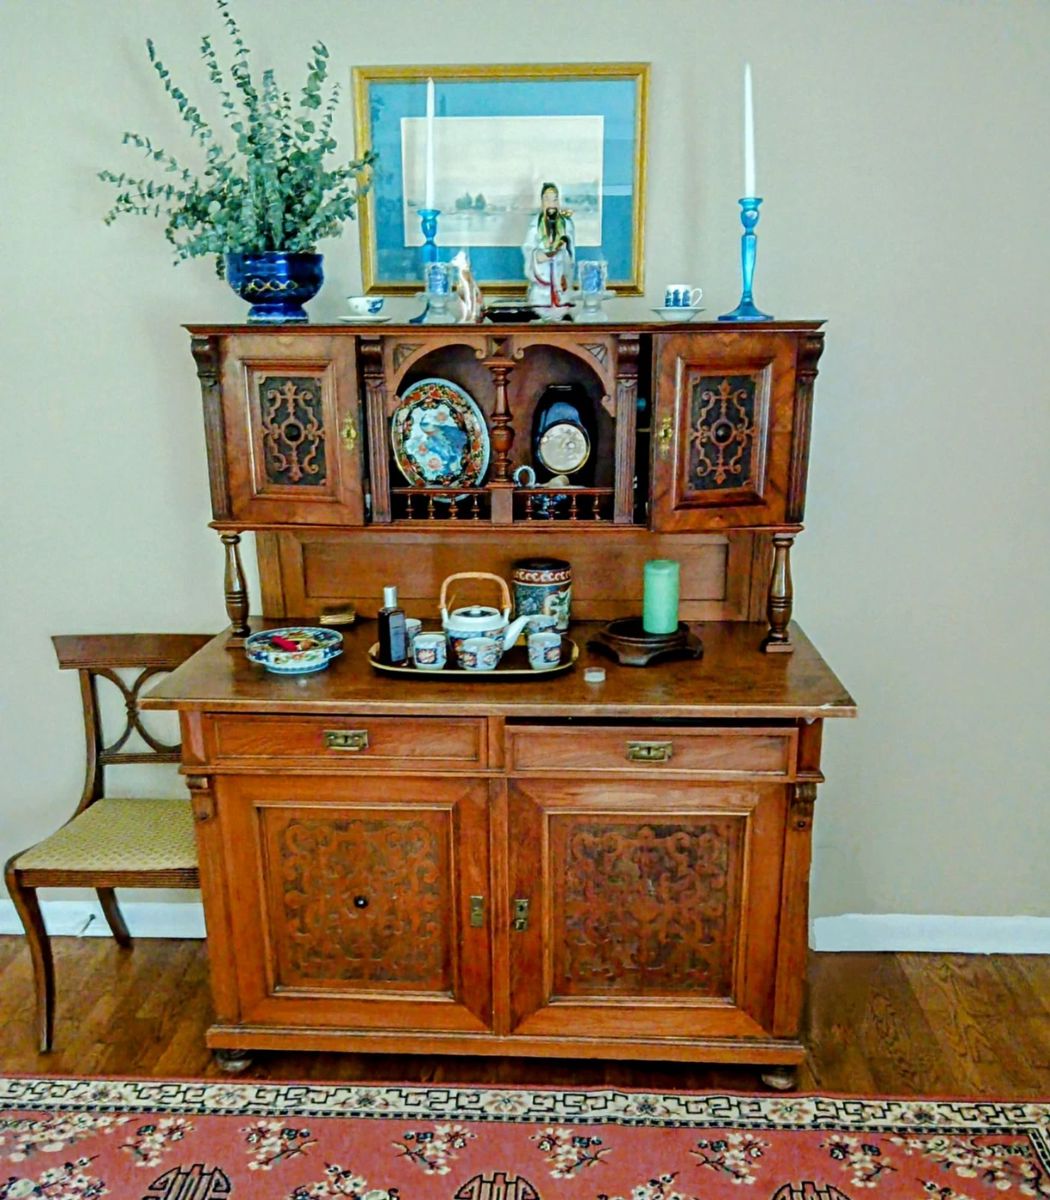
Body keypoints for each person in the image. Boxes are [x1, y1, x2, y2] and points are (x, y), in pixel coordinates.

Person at [521, 182, 575, 316]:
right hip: (541, 288)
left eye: (555, 199)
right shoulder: (535, 226)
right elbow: (528, 249)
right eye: (547, 199)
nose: (551, 203)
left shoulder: (566, 224)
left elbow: (570, 252)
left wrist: (563, 254)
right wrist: (539, 256)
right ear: (542, 201)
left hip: (560, 286)